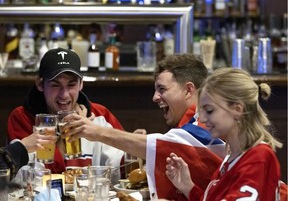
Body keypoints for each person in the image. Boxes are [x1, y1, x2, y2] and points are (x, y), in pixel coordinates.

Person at [61, 53, 226, 199]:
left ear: (189, 90)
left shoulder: (206, 123)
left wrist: (96, 132)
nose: (155, 97)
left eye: (162, 89)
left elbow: (161, 145)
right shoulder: (189, 124)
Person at [165, 67, 285, 200]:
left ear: (237, 109)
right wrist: (188, 187)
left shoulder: (259, 157)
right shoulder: (231, 157)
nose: (203, 119)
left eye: (209, 110)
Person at [7, 47, 125, 182]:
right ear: (40, 84)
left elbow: (121, 168)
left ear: (81, 84)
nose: (64, 94)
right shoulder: (22, 117)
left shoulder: (100, 114)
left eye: (71, 84)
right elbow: (23, 179)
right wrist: (62, 136)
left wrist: (134, 148)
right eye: (55, 85)